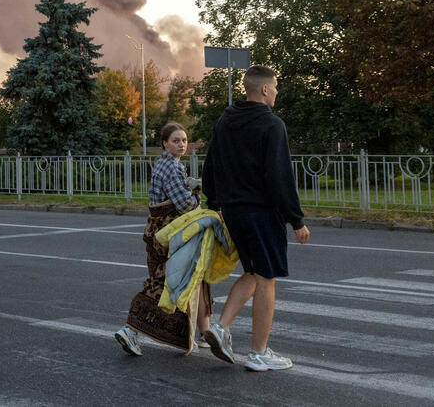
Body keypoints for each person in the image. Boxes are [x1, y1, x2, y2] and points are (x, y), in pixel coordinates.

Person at [201, 65, 310, 371]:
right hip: (261, 212)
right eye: (274, 87)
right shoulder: (271, 124)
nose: (276, 92)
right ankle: (259, 353)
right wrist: (296, 219)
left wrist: (215, 201)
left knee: (253, 271)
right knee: (266, 278)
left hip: (233, 211)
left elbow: (211, 165)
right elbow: (279, 177)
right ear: (264, 89)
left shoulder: (225, 120)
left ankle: (220, 328)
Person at [115, 122, 212, 356]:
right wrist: (199, 198)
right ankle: (131, 330)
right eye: (176, 140)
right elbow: (185, 204)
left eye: (184, 140)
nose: (181, 144)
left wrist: (193, 185)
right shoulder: (171, 167)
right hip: (169, 233)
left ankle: (206, 332)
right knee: (165, 282)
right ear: (165, 143)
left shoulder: (168, 164)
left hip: (163, 231)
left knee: (194, 276)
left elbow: (179, 189)